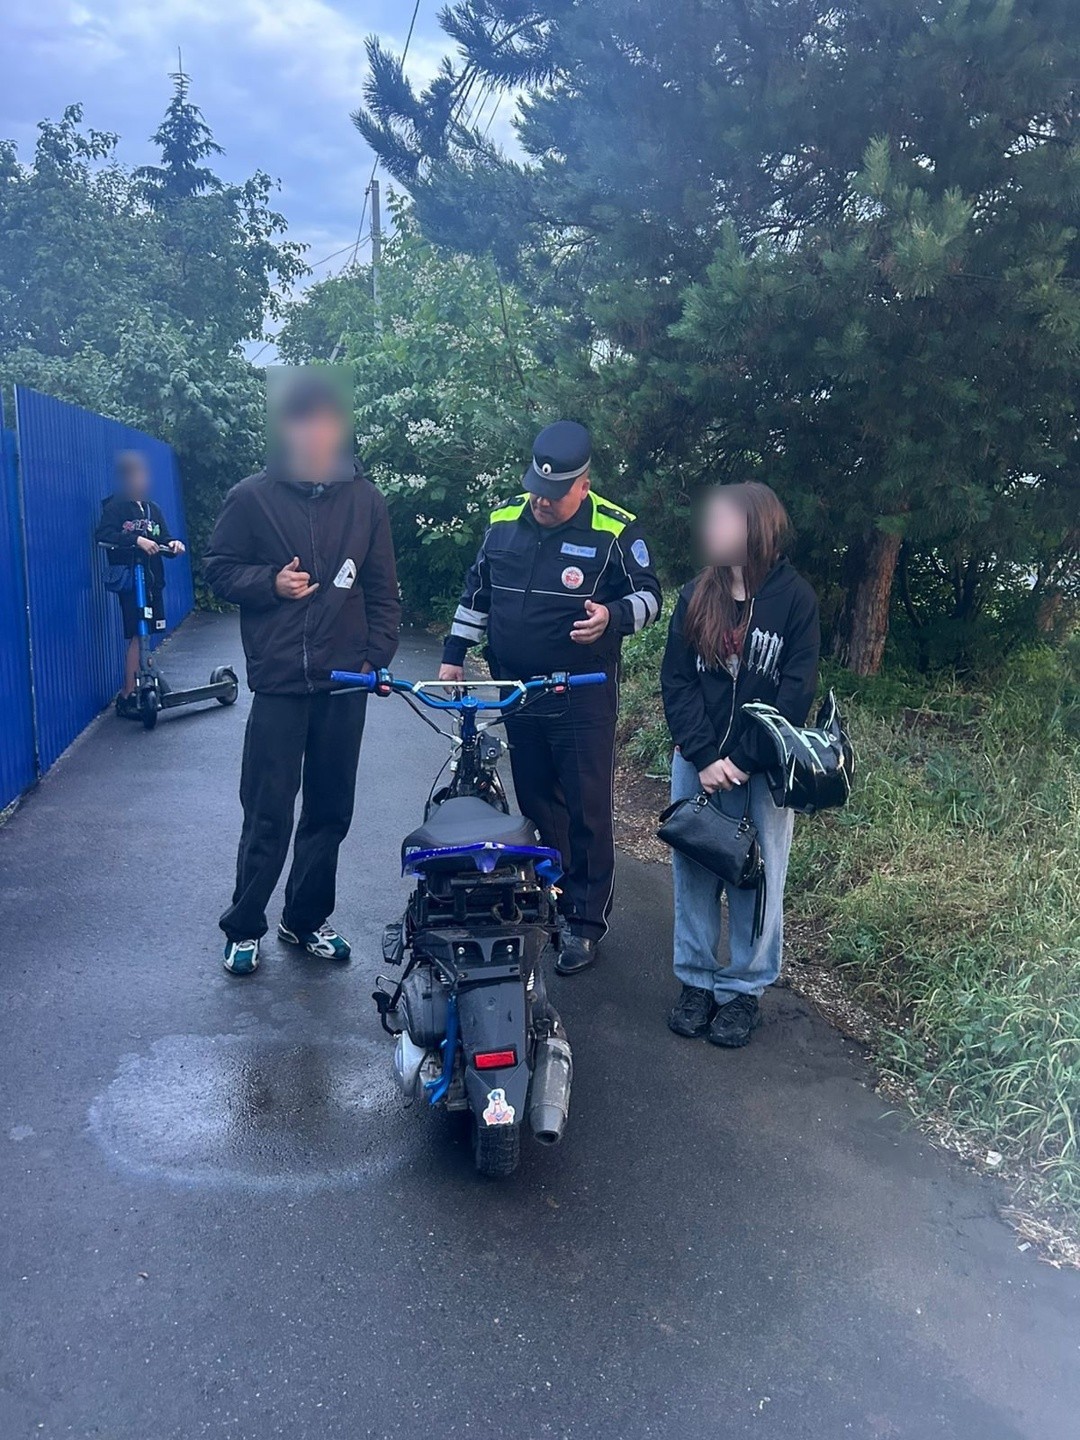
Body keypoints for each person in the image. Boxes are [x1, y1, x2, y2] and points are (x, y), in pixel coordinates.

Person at [439, 420, 662, 974]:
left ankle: (585, 923)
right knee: (538, 799)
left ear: (583, 485)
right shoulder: (503, 521)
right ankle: (556, 896)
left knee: (587, 808)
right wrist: (453, 652)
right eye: (536, 489)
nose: (541, 501)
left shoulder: (616, 530)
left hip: (581, 693)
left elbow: (651, 598)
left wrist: (613, 616)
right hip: (519, 690)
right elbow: (477, 592)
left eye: (554, 494)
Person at [204, 371, 401, 977]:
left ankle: (305, 919)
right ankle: (244, 926)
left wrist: (375, 659)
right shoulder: (252, 497)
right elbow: (218, 568)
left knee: (330, 810)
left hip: (345, 684)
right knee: (267, 811)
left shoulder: (365, 500)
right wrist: (271, 583)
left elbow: (382, 590)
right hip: (281, 683)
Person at [661, 482, 819, 1047]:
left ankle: (743, 992)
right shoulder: (696, 594)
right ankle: (696, 983)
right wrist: (705, 756)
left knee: (760, 879)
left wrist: (744, 759)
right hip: (697, 764)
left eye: (725, 520)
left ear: (758, 528)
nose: (713, 529)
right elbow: (676, 680)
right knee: (695, 874)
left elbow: (796, 692)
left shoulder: (795, 599)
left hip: (763, 771)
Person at [95, 450, 185, 712]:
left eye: (144, 474)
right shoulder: (115, 508)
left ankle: (141, 682)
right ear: (125, 478)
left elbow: (164, 537)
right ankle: (127, 694)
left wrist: (173, 544)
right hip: (132, 582)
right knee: (138, 633)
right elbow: (103, 535)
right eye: (136, 475)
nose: (142, 480)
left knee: (146, 633)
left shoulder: (152, 509)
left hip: (153, 581)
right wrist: (136, 539)